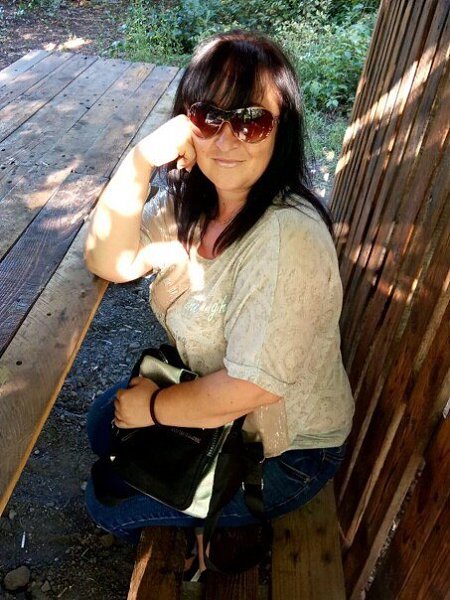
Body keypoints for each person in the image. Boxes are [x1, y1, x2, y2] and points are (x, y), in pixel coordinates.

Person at [83, 30, 354, 575]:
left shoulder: (286, 238)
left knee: (102, 502)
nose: (227, 139)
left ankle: (223, 527)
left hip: (284, 448)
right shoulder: (196, 203)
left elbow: (250, 389)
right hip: (217, 404)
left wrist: (154, 410)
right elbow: (109, 259)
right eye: (208, 117)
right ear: (186, 124)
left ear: (282, 129)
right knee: (99, 421)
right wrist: (140, 162)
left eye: (251, 121)